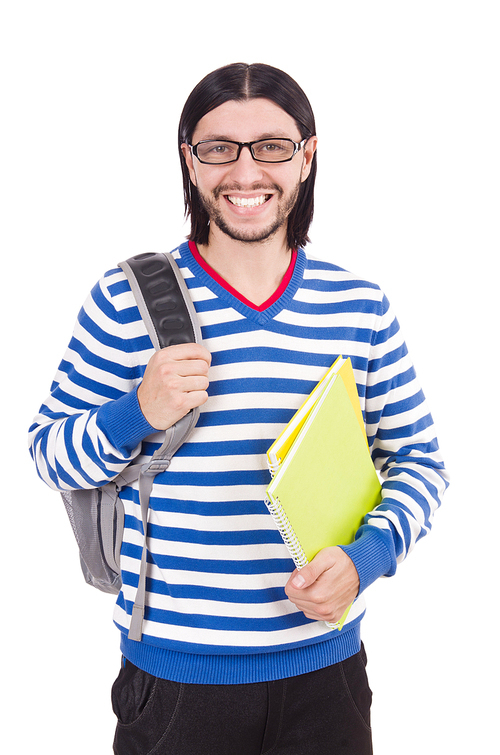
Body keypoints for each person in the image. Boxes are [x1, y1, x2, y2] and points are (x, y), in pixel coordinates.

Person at [29, 62, 449, 755]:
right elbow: (50, 453)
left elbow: (420, 462)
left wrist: (367, 555)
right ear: (189, 161)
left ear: (307, 157)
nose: (245, 171)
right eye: (219, 147)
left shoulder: (360, 307)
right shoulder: (126, 300)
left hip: (327, 676)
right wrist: (135, 410)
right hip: (173, 685)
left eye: (272, 147)